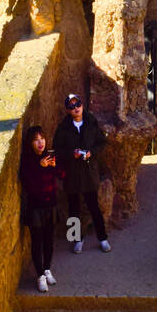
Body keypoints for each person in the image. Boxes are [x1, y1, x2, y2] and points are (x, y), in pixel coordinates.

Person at [53, 94, 111, 254]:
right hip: (71, 172)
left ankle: (103, 238)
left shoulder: (91, 122)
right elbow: (57, 150)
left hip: (88, 171)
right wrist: (72, 153)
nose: (75, 108)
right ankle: (76, 239)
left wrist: (91, 153)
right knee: (73, 207)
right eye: (71, 106)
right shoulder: (63, 127)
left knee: (93, 206)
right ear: (68, 110)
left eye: (77, 104)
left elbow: (102, 143)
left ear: (82, 104)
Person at [20, 124, 63, 292]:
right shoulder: (28, 160)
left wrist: (54, 166)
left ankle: (47, 269)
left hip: (50, 206)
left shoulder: (50, 156)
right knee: (37, 243)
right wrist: (40, 166)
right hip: (35, 208)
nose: (40, 143)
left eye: (42, 139)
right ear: (30, 143)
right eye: (36, 140)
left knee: (49, 241)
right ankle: (40, 276)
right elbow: (28, 183)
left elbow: (62, 175)